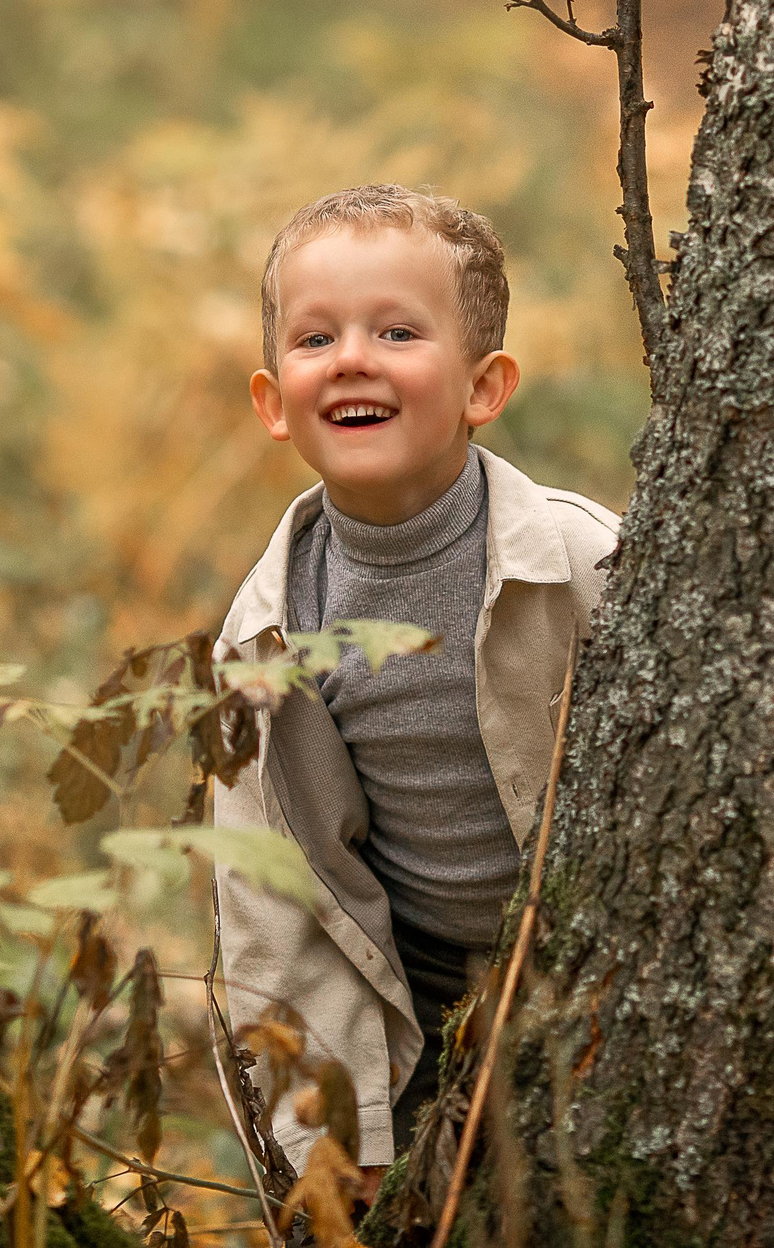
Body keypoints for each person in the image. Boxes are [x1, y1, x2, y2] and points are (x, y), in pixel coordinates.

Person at [211, 184, 619, 1197]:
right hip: (414, 993)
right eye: (316, 339)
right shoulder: (269, 630)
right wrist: (318, 1152)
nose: (352, 357)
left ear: (484, 387)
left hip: (595, 967)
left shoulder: (581, 560)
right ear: (271, 402)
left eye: (397, 330)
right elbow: (272, 902)